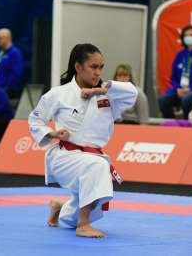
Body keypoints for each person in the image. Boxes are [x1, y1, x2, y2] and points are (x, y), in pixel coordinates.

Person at [28, 44, 137, 238]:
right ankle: (83, 225)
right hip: (64, 156)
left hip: (92, 156)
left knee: (94, 205)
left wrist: (99, 91)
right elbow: (35, 119)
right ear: (78, 67)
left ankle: (61, 209)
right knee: (97, 167)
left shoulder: (108, 96)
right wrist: (51, 134)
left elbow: (132, 93)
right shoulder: (58, 94)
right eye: (93, 67)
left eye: (101, 67)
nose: (98, 72)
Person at [158, 25, 192, 119]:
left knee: (186, 99)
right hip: (179, 90)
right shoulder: (180, 55)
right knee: (163, 100)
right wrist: (177, 88)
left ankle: (188, 125)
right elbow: (173, 77)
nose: (188, 37)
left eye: (191, 35)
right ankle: (171, 124)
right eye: (186, 35)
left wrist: (190, 88)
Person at [0, 28, 24, 99]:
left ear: (8, 38)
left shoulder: (15, 53)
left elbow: (16, 73)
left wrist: (7, 88)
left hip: (6, 91)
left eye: (0, 38)